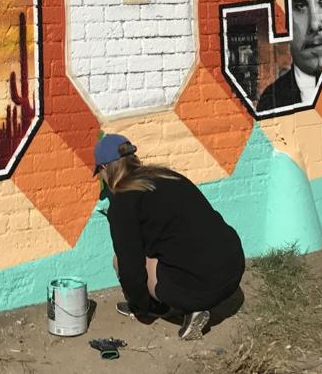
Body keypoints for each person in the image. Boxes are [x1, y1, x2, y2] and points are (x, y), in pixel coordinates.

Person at [95, 134, 244, 341]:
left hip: (206, 286)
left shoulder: (123, 203)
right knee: (163, 254)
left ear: (104, 169)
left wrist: (141, 308)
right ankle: (187, 297)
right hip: (233, 268)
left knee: (120, 262)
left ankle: (190, 307)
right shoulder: (165, 176)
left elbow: (131, 268)